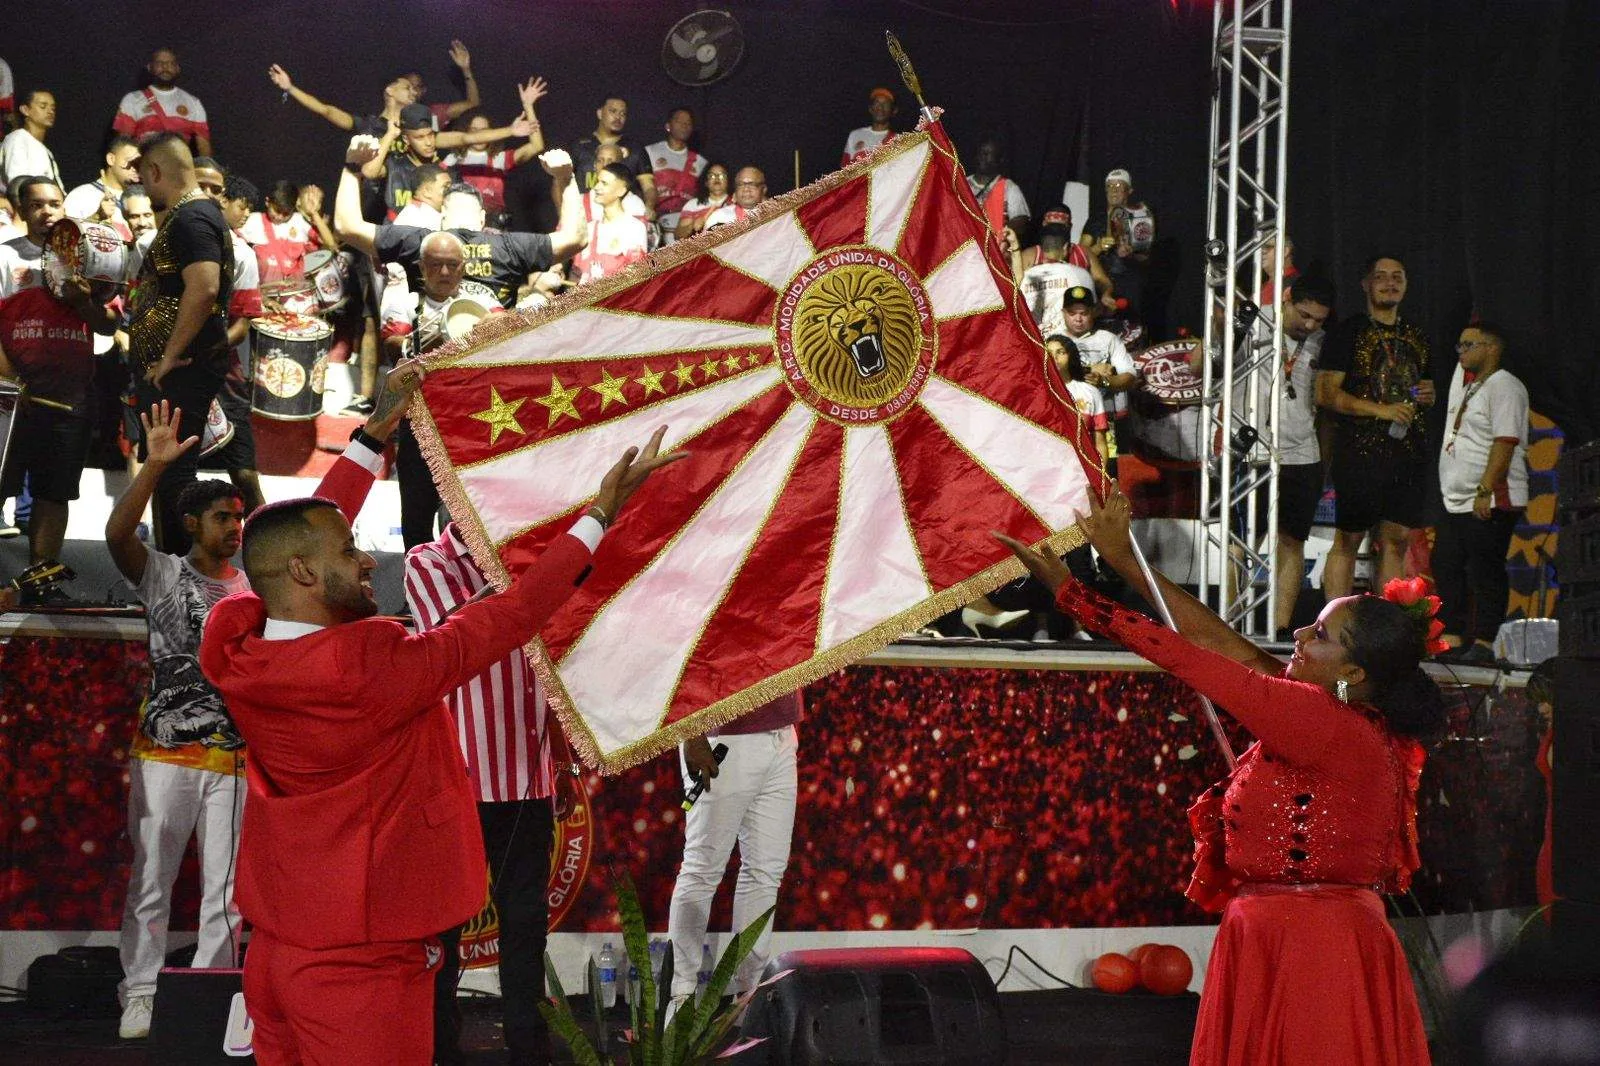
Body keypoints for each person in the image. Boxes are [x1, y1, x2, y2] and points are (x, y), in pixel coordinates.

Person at [198, 418, 683, 1066]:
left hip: (275, 956)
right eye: (349, 550)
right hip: (361, 972)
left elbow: (283, 541)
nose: (368, 558)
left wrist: (371, 438)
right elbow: (511, 617)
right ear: (305, 573)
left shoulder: (235, 651)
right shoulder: (372, 670)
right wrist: (598, 513)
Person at [998, 481, 1444, 1066]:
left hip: (1309, 945)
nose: (1299, 635)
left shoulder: (1316, 717)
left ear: (1355, 673)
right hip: (1296, 932)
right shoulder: (1335, 712)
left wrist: (1075, 597)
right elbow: (1218, 642)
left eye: (1321, 635)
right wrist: (1127, 562)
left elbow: (1191, 659)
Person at [405, 522, 585, 1066]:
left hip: (526, 779)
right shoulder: (427, 562)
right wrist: (528, 576)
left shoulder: (525, 556)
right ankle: (438, 1045)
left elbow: (550, 664)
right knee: (443, 928)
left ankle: (527, 1041)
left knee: (526, 922)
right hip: (455, 780)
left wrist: (558, 756)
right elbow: (462, 634)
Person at [105, 402, 250, 1039]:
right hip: (166, 753)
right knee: (152, 880)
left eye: (240, 518)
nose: (234, 528)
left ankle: (211, 998)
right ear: (191, 522)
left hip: (237, 759)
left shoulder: (255, 589)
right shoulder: (164, 573)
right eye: (222, 518)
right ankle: (139, 991)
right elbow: (115, 538)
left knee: (226, 893)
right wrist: (152, 468)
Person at [0, 177, 119, 584]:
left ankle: (38, 581)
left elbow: (108, 326)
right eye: (37, 205)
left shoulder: (88, 256)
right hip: (11, 401)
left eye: (55, 203)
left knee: (55, 493)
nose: (48, 212)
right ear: (21, 211)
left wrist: (83, 301)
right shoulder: (5, 257)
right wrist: (12, 384)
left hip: (70, 402)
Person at [126, 132, 234, 553]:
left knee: (172, 475)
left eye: (144, 176)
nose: (144, 187)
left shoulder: (191, 218)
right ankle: (176, 576)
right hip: (177, 369)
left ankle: (180, 579)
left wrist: (169, 356)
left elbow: (204, 287)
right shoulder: (191, 216)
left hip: (182, 369)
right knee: (166, 471)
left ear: (155, 171)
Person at [667, 692, 803, 1019]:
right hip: (723, 736)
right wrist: (688, 729)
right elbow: (680, 648)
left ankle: (750, 1001)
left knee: (765, 872)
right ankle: (678, 999)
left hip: (782, 732)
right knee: (702, 871)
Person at [336, 138, 585, 309]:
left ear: (442, 216)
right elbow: (577, 238)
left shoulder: (421, 243)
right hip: (490, 364)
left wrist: (352, 167)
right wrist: (567, 179)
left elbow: (347, 227)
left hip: (435, 368)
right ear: (482, 217)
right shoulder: (509, 246)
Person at [1315, 255, 1436, 599]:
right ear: (1366, 284)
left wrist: (1429, 394)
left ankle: (1384, 627)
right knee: (1348, 539)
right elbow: (1325, 394)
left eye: (1398, 276)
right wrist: (1380, 411)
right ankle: (1334, 624)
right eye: (1381, 276)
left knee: (1395, 542)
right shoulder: (1348, 332)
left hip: (1408, 455)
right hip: (1359, 454)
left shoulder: (1417, 335)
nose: (1390, 282)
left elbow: (1422, 386)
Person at [1433, 321, 1528, 665]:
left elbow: (1504, 442)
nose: (1461, 351)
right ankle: (1454, 637)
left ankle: (1486, 641)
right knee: (1446, 564)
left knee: (1484, 569)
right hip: (1455, 497)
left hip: (1491, 496)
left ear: (1492, 348)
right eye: (1458, 345)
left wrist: (1485, 490)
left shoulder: (1506, 386)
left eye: (1469, 344)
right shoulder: (1469, 384)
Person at [1245, 274, 1335, 638]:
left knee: (1292, 541)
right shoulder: (1254, 323)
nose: (1310, 325)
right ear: (1286, 298)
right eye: (1303, 315)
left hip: (1303, 454)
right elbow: (1201, 366)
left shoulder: (1324, 341)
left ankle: (1281, 628)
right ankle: (1231, 623)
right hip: (1253, 450)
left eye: (1318, 319)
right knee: (1244, 540)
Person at [209, 172, 267, 513]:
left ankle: (269, 535)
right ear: (223, 201)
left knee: (244, 472)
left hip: (224, 378)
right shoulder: (174, 241)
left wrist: (202, 350)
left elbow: (242, 327)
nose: (245, 214)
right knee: (172, 472)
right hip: (179, 376)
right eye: (241, 206)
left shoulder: (243, 254)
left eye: (249, 208)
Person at [442, 77, 548, 226]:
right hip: (461, 224)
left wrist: (528, 106)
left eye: (484, 130)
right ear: (467, 132)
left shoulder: (499, 159)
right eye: (474, 130)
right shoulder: (453, 159)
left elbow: (536, 146)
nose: (479, 135)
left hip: (494, 226)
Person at [1060, 286, 1136, 476]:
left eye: (1084, 313)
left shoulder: (1108, 339)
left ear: (1093, 312)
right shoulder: (1055, 342)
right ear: (1063, 313)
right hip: (1066, 421)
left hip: (1106, 422)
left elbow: (1129, 376)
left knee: (1108, 476)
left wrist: (1105, 382)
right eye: (1072, 313)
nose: (1078, 319)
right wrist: (1090, 369)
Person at [1011, 205, 1114, 331]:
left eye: (1061, 228)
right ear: (1044, 226)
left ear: (1070, 227)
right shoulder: (1030, 255)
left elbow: (1102, 281)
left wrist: (1106, 295)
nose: (1056, 232)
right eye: (1052, 228)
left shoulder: (1083, 253)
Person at [1082, 169, 1155, 316]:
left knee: (1129, 330)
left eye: (1119, 186)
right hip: (1100, 283)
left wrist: (1131, 254)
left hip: (1128, 285)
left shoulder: (1140, 217)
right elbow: (1081, 254)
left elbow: (1147, 258)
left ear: (1129, 191)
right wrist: (1098, 247)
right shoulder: (1095, 219)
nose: (1113, 191)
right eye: (1110, 186)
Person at [114, 49, 212, 156]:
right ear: (150, 67)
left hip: (179, 168)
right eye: (159, 63)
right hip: (144, 168)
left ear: (177, 69)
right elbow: (123, 144)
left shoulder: (193, 103)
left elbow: (203, 147)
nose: (165, 67)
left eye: (171, 63)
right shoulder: (132, 99)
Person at [569, 94, 656, 214]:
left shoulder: (635, 148)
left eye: (623, 114)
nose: (618, 117)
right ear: (600, 113)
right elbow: (560, 183)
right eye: (613, 111)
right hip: (584, 214)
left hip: (624, 215)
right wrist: (563, 213)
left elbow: (649, 187)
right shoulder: (580, 146)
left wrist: (649, 207)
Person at [239, 180, 330, 285]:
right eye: (277, 210)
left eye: (286, 213)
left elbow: (329, 244)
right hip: (267, 294)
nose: (280, 217)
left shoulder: (298, 221)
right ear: (267, 202)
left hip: (298, 294)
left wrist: (314, 214)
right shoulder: (253, 221)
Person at [570, 163, 649, 284]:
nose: (596, 187)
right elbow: (575, 275)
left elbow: (637, 277)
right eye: (597, 182)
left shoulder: (634, 228)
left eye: (604, 183)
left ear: (621, 190)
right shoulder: (590, 228)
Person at [645, 107, 707, 244]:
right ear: (668, 126)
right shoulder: (650, 153)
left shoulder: (700, 162)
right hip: (655, 227)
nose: (684, 125)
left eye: (688, 123)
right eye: (679, 121)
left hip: (685, 232)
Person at [65, 135, 141, 225]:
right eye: (131, 162)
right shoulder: (82, 195)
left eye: (140, 164)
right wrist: (97, 216)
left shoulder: (143, 200)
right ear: (111, 159)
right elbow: (68, 232)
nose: (136, 168)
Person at [967, 137, 1029, 237]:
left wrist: (997, 235)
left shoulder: (1009, 187)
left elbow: (1020, 221)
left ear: (999, 159)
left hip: (994, 246)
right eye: (981, 153)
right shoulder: (962, 184)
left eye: (988, 154)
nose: (983, 157)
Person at [0, 89, 61, 187]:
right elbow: (17, 186)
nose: (50, 112)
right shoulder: (18, 139)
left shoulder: (45, 150)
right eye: (43, 106)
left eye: (53, 108)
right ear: (25, 110)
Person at [673, 163, 730, 241]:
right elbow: (677, 236)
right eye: (712, 176)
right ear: (706, 182)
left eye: (722, 175)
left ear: (728, 180)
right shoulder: (693, 205)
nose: (717, 179)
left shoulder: (735, 203)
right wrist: (692, 226)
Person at [841, 87, 897, 166]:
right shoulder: (855, 135)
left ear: (894, 111)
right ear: (870, 109)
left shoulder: (898, 140)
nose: (880, 107)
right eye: (876, 103)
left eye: (886, 104)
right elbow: (844, 169)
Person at [393, 164, 450, 230]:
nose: (451, 190)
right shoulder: (414, 218)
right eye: (445, 187)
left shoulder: (435, 212)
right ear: (426, 191)